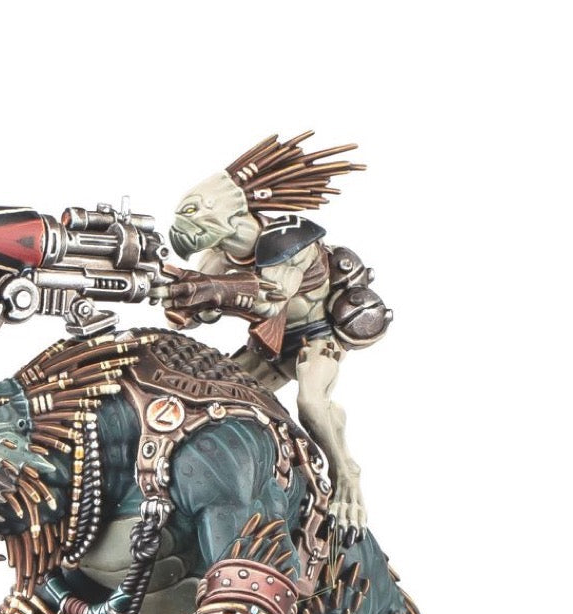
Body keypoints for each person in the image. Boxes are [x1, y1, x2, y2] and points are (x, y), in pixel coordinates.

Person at [151, 132, 393, 543]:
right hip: (269, 347)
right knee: (212, 392)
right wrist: (178, 295)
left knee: (311, 404)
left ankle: (346, 478)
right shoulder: (222, 254)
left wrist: (213, 291)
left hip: (316, 339)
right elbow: (197, 312)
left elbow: (270, 297)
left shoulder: (290, 239)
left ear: (229, 217)